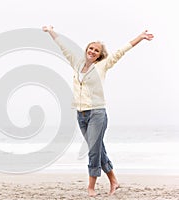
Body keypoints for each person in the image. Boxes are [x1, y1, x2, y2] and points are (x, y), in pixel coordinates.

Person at [42, 25, 154, 197]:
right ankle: (114, 181)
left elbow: (120, 51)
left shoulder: (102, 65)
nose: (93, 51)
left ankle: (91, 186)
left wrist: (140, 37)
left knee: (94, 151)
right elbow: (63, 46)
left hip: (97, 114)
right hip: (81, 114)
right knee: (97, 148)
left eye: (96, 50)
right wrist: (50, 31)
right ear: (86, 49)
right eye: (91, 48)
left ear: (100, 54)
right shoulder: (77, 63)